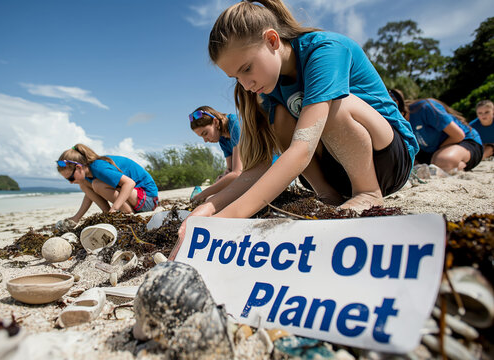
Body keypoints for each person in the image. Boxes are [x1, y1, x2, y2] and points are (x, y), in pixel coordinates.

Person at [173, 0, 419, 252]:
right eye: (236, 77)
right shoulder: (268, 90)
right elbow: (259, 166)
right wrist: (211, 206)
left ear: (272, 40)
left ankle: (367, 192)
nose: (245, 84)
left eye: (247, 68)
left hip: (389, 159)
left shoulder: (325, 50)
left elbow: (301, 149)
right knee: (281, 117)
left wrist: (224, 221)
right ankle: (327, 196)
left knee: (335, 105)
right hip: (338, 171)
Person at [56, 143, 159, 224]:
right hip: (137, 198)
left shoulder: (99, 167)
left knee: (97, 184)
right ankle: (107, 213)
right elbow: (89, 196)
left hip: (148, 199)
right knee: (85, 184)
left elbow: (129, 183)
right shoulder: (88, 175)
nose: (71, 182)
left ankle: (126, 213)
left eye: (71, 178)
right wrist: (76, 217)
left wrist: (114, 208)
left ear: (78, 167)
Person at [389, 89, 483, 172]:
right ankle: (449, 163)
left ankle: (457, 163)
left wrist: (438, 152)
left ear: (396, 102)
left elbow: (458, 135)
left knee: (442, 161)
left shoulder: (424, 108)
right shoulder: (396, 123)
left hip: (465, 141)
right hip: (433, 150)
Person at [189, 106, 243, 202]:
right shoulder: (222, 139)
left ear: (215, 122)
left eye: (205, 133)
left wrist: (203, 194)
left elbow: (236, 173)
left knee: (211, 200)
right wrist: (225, 175)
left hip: (265, 170)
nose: (205, 140)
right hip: (247, 175)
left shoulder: (235, 123)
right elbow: (231, 170)